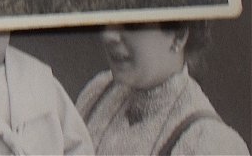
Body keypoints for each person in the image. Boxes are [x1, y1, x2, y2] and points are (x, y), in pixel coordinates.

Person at [76, 22, 249, 155]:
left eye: (131, 23)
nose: (108, 35)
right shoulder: (98, 93)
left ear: (178, 36)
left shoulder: (210, 144)